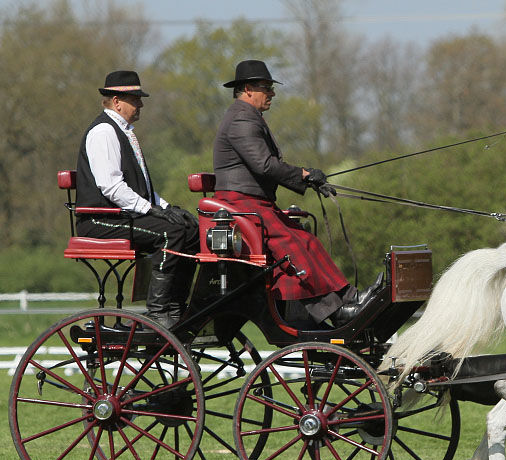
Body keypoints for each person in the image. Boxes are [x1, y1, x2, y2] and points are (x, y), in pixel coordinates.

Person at [213, 59, 376, 327]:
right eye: (267, 87)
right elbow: (263, 164)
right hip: (241, 204)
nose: (272, 93)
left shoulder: (247, 116)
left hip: (255, 204)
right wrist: (303, 174)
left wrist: (307, 177)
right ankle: (334, 311)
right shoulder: (242, 117)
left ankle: (350, 298)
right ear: (248, 89)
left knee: (307, 240)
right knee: (292, 246)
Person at [76, 70, 199, 328]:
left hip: (121, 216)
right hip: (100, 221)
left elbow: (139, 187)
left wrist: (166, 207)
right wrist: (152, 211)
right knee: (171, 233)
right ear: (117, 101)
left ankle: (176, 308)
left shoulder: (124, 132)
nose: (141, 104)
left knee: (191, 228)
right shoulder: (104, 132)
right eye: (135, 99)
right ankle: (158, 312)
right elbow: (111, 187)